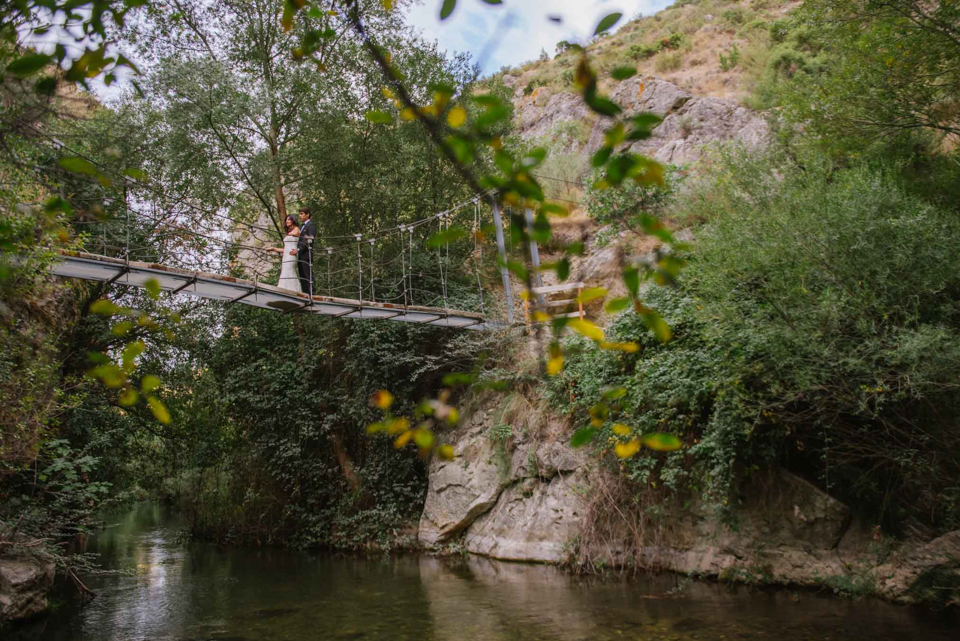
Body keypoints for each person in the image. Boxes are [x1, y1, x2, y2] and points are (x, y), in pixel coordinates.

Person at [268, 214, 301, 293]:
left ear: (293, 220)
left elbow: (297, 233)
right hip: (286, 256)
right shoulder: (289, 232)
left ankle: (292, 291)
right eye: (286, 220)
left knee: (289, 272)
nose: (287, 221)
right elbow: (285, 249)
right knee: (284, 272)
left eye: (289, 219)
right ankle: (283, 290)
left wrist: (291, 234)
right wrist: (274, 249)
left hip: (291, 255)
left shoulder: (296, 229)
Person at [291, 207, 316, 297]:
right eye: (300, 214)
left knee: (308, 274)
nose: (300, 216)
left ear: (307, 214)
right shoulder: (302, 226)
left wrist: (298, 250)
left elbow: (309, 240)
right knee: (302, 275)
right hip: (301, 255)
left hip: (306, 254)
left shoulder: (311, 226)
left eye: (302, 214)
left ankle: (312, 294)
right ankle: (306, 294)